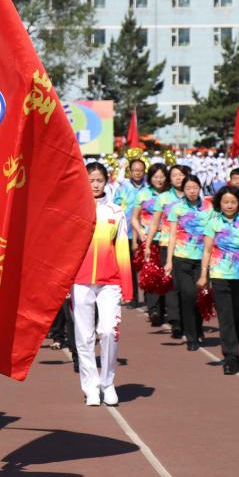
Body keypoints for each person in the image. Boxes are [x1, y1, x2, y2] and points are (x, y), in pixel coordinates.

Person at [72, 162, 131, 406]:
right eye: (90, 180)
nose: (95, 185)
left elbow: (123, 248)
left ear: (106, 182)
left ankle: (108, 382)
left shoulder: (116, 212)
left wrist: (127, 285)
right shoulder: (73, 210)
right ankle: (91, 387)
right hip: (79, 280)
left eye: (99, 180)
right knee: (84, 336)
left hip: (110, 280)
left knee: (109, 331)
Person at [198, 185, 239, 375]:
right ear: (219, 204)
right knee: (225, 317)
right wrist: (204, 274)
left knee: (238, 316)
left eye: (233, 202)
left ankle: (233, 350)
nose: (229, 205)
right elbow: (207, 251)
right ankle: (230, 357)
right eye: (226, 202)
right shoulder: (213, 223)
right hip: (219, 275)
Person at [164, 174, 212, 351]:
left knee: (200, 296)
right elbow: (172, 236)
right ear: (183, 190)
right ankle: (191, 336)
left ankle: (198, 328)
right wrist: (169, 261)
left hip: (203, 259)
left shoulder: (209, 207)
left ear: (200, 188)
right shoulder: (176, 208)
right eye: (188, 188)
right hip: (182, 258)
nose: (192, 191)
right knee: (188, 296)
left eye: (195, 188)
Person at [143, 164, 188, 336]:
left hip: (189, 248)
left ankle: (188, 319)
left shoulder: (193, 196)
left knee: (187, 286)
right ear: (170, 178)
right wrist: (148, 244)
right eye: (175, 175)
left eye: (181, 174)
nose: (178, 178)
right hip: (166, 244)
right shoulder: (163, 198)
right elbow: (155, 223)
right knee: (171, 283)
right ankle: (175, 321)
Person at [131, 163, 168, 325]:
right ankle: (154, 310)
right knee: (151, 274)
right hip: (148, 240)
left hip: (167, 240)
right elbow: (134, 218)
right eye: (155, 177)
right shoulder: (143, 194)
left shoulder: (170, 195)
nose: (159, 180)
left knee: (165, 274)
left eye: (162, 177)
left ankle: (164, 308)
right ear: (150, 178)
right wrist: (140, 234)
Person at [114, 158, 146, 309]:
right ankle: (132, 297)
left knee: (146, 266)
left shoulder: (148, 188)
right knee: (130, 266)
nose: (137, 173)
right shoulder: (123, 188)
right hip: (126, 233)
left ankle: (150, 299)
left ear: (144, 171)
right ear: (130, 172)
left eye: (140, 170)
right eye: (134, 170)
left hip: (145, 232)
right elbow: (115, 206)